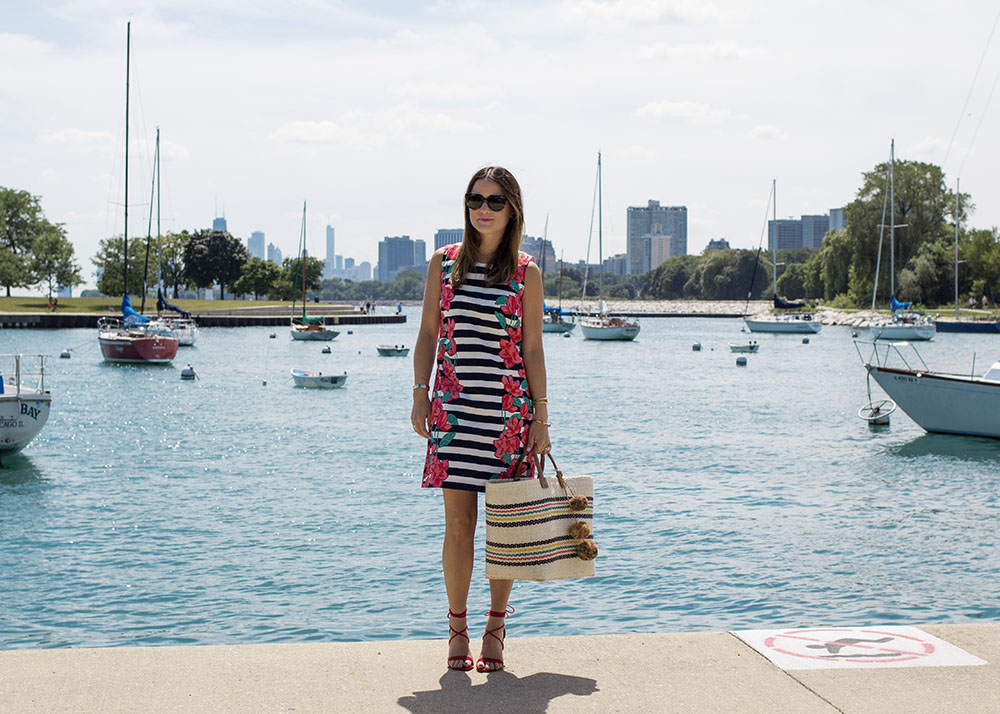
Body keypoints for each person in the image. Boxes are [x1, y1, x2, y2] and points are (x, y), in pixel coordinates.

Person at [411, 166, 550, 673]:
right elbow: (428, 334)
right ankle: (456, 628)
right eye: (475, 199)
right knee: (457, 526)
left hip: (507, 415)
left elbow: (532, 348)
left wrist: (541, 417)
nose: (483, 209)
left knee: (503, 526)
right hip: (452, 412)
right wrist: (419, 394)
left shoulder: (526, 272)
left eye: (494, 200)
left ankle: (495, 625)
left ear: (512, 208)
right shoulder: (443, 264)